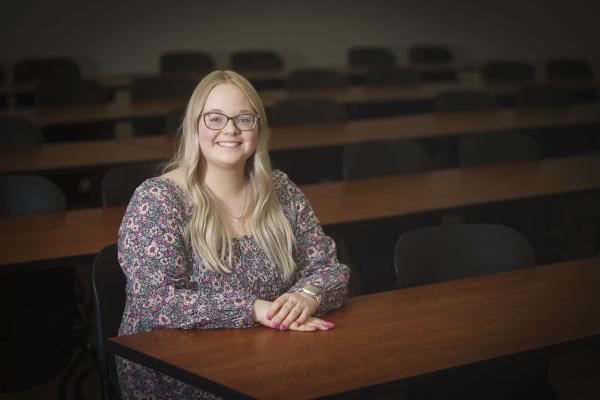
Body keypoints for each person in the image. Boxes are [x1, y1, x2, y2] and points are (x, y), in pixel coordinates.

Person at [116, 70, 351, 398]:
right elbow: (155, 302)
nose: (230, 130)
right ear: (194, 126)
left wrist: (305, 297)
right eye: (215, 118)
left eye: (243, 119)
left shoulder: (280, 189)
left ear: (258, 128)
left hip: (266, 354)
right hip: (176, 370)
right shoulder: (159, 199)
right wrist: (255, 309)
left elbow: (328, 269)